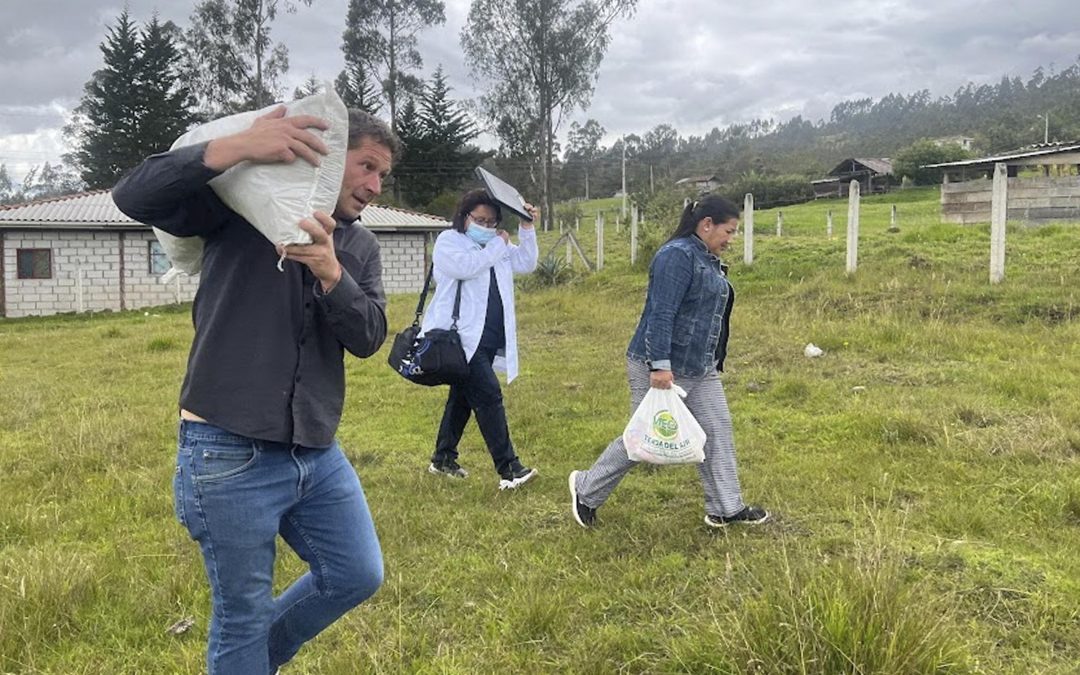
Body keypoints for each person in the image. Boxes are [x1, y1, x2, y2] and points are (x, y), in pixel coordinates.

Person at [112, 105, 400, 673]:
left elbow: (369, 337)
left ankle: (244, 662)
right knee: (240, 615)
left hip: (316, 451)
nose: (373, 186)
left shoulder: (359, 248)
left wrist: (330, 272)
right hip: (226, 449)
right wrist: (237, 146)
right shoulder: (236, 210)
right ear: (328, 153)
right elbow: (134, 196)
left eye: (382, 177)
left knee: (356, 573)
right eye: (366, 166)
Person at [568, 195, 769, 529]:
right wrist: (660, 366)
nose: (731, 239)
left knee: (717, 431)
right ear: (707, 225)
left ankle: (725, 508)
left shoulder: (705, 257)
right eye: (729, 231)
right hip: (662, 365)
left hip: (699, 366)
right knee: (643, 439)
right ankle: (586, 489)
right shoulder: (676, 256)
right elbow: (661, 313)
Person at [422, 189, 540, 489]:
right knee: (488, 395)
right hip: (459, 339)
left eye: (491, 222)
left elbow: (526, 263)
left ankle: (442, 459)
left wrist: (527, 227)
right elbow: (466, 268)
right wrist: (498, 244)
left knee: (461, 398)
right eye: (480, 220)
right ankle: (510, 469)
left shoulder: (496, 246)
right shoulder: (450, 242)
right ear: (464, 217)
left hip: (487, 339)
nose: (486, 226)